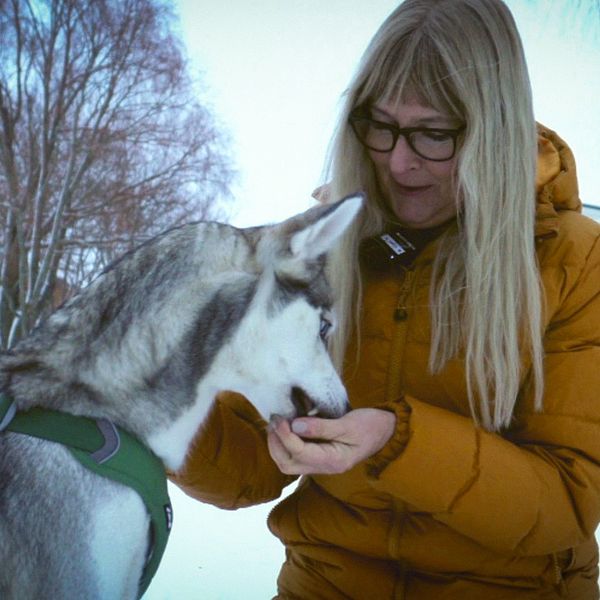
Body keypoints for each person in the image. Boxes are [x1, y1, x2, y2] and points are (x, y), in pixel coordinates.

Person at [170, 0, 600, 597]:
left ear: (493, 130)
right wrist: (164, 404)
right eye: (381, 125)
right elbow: (248, 469)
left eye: (433, 134)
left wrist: (395, 442)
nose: (399, 162)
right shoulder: (317, 245)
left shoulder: (577, 261)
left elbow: (568, 504)